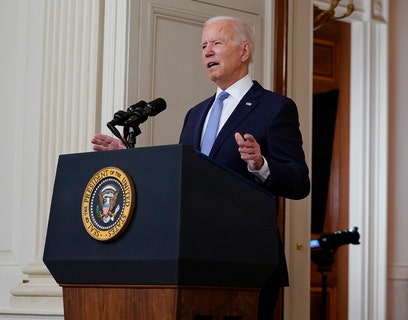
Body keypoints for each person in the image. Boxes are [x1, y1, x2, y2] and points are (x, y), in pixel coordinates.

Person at [92, 16, 310, 320]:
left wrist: (262, 165)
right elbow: (183, 177)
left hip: (246, 261)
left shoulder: (275, 108)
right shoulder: (196, 114)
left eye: (217, 43)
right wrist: (129, 156)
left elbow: (299, 182)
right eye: (204, 45)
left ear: (244, 51)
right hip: (191, 259)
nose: (207, 52)